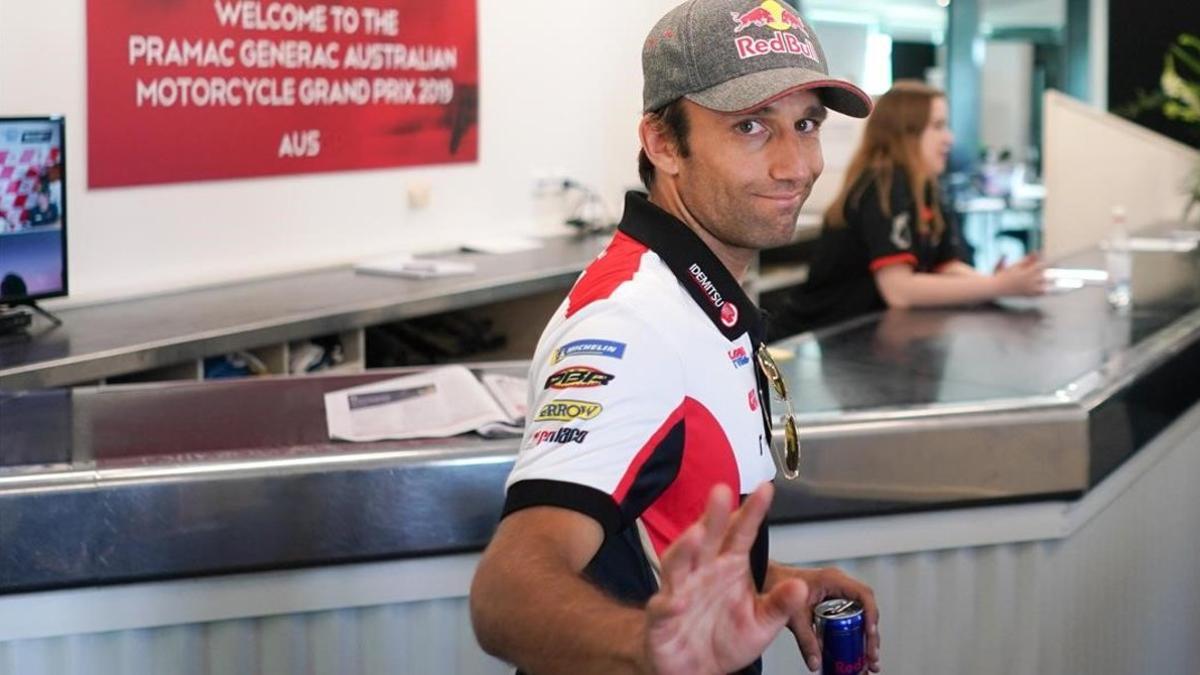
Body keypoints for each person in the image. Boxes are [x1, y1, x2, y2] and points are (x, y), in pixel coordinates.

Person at [470, 1, 882, 673]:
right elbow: (505, 591)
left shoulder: (695, 295)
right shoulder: (629, 325)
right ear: (664, 144)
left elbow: (653, 535)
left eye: (806, 124)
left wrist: (768, 578)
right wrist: (644, 646)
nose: (796, 165)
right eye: (751, 126)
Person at [768, 81, 1046, 339]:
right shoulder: (885, 185)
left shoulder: (924, 187)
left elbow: (945, 266)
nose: (949, 138)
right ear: (906, 134)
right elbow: (899, 290)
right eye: (937, 126)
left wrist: (1001, 282)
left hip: (867, 337)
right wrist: (997, 287)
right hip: (819, 338)